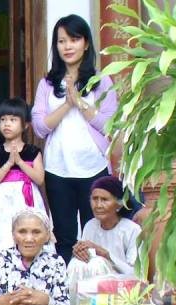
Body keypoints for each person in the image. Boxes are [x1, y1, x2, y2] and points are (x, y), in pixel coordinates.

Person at [31, 14, 117, 264]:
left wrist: (78, 100)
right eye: (61, 41)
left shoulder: (101, 82)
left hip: (93, 168)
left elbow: (109, 125)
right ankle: (66, 296)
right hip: (59, 169)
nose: (67, 46)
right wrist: (67, 103)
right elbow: (39, 127)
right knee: (65, 236)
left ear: (87, 43)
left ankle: (97, 291)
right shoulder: (47, 83)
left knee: (96, 233)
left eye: (74, 39)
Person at [0, 97, 50, 265]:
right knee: (3, 238)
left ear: (25, 125)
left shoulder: (33, 151)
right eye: (3, 120)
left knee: (29, 234)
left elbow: (39, 178)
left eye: (13, 120)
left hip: (26, 200)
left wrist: (20, 162)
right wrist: (9, 163)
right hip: (2, 202)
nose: (7, 124)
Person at [67, 176, 141, 291]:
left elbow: (135, 274)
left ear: (119, 204)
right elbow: (85, 261)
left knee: (98, 263)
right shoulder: (90, 226)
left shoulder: (132, 230)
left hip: (123, 288)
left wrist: (105, 254)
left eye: (104, 200)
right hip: (92, 286)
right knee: (76, 264)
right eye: (95, 199)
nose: (98, 205)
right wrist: (78, 252)